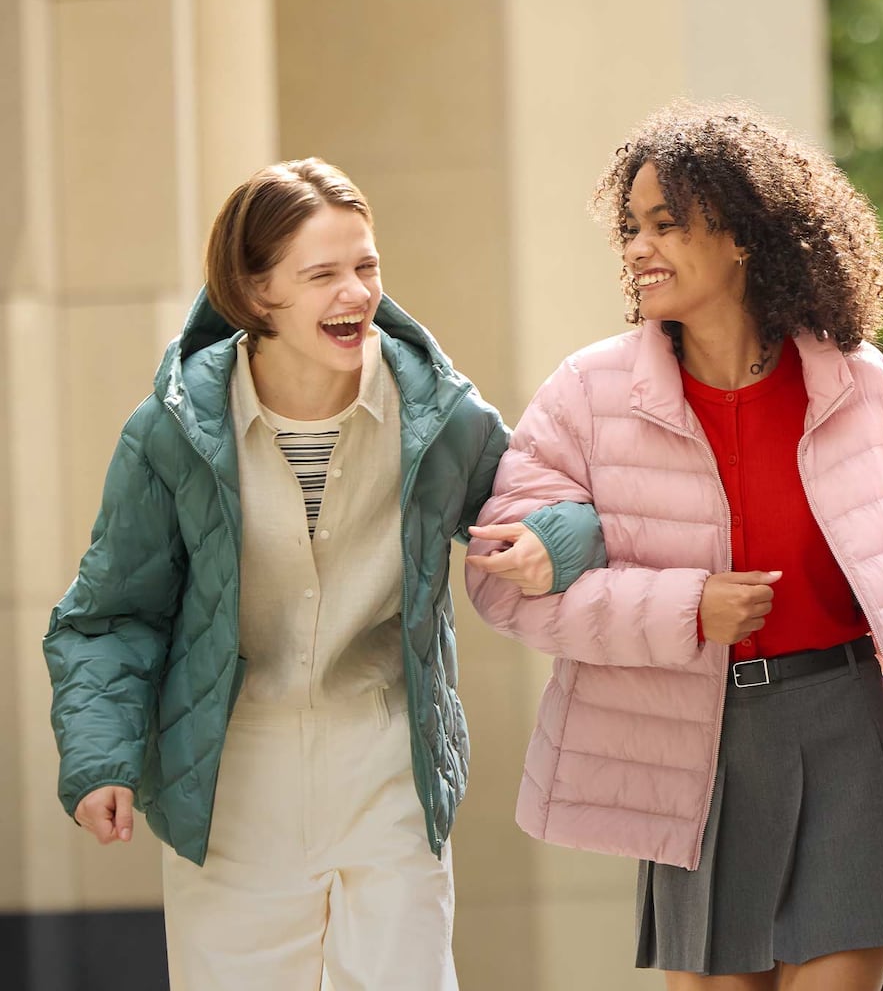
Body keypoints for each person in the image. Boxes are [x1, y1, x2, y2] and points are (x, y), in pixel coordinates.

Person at [44, 157, 602, 989]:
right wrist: (101, 759)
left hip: (387, 768)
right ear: (255, 291)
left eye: (366, 266)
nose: (357, 293)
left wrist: (552, 542)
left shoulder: (436, 414)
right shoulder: (172, 432)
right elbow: (111, 614)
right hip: (228, 784)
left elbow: (556, 499)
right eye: (323, 275)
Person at [464, 103, 883, 991]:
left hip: (849, 732)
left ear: (740, 236)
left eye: (666, 224)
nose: (638, 248)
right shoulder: (588, 393)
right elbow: (506, 587)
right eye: (632, 228)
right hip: (691, 755)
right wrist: (687, 607)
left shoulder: (859, 381)